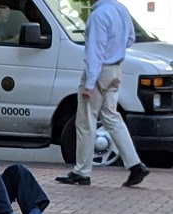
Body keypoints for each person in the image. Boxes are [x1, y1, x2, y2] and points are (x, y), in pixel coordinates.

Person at [55, 0, 150, 187]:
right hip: (115, 69)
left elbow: (95, 52)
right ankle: (135, 164)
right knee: (111, 117)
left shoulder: (98, 15)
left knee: (85, 121)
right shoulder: (121, 9)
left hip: (99, 72)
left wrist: (89, 84)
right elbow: (130, 38)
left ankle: (82, 171)